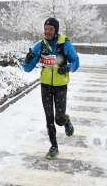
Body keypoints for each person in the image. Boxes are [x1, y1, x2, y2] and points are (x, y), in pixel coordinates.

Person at [23, 18, 79, 160]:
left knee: (58, 119)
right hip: (45, 87)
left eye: (50, 29)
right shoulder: (40, 46)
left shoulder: (65, 44)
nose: (47, 32)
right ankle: (54, 146)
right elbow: (27, 69)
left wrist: (68, 67)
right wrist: (28, 59)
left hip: (61, 87)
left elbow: (76, 61)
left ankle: (66, 121)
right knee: (49, 119)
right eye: (46, 28)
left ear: (56, 30)